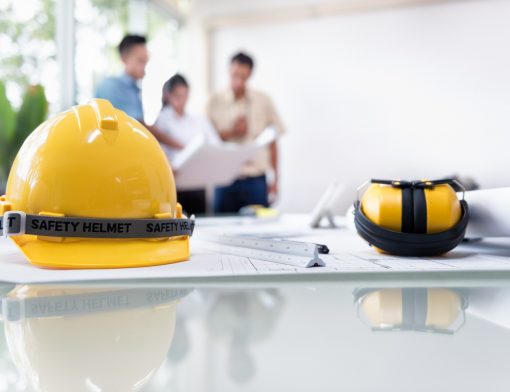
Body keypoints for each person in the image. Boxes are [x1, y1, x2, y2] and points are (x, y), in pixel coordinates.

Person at [208, 52, 285, 214]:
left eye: (244, 77)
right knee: (221, 231)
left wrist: (276, 181)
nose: (238, 81)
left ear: (250, 75)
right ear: (228, 71)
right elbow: (208, 141)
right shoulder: (213, 101)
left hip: (256, 181)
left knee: (260, 233)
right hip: (224, 180)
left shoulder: (263, 101)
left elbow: (273, 142)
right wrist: (233, 132)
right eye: (235, 75)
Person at [95, 34, 182, 150]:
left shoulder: (134, 90)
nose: (145, 67)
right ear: (124, 59)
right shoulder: (111, 87)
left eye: (146, 61)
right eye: (141, 61)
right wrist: (179, 145)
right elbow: (138, 125)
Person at [155, 73, 220, 215]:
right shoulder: (163, 120)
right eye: (178, 96)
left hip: (197, 183)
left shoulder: (197, 120)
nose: (182, 100)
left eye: (185, 95)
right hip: (175, 185)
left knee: (200, 222)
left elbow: (215, 144)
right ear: (169, 96)